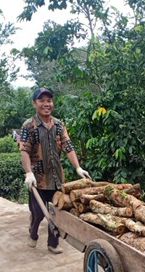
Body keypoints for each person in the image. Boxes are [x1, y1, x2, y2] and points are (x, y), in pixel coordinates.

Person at [20, 87, 91, 253]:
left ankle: (53, 244)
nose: (46, 104)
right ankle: (33, 233)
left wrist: (78, 167)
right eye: (42, 100)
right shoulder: (29, 126)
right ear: (34, 103)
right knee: (37, 213)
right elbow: (24, 150)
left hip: (56, 178)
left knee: (57, 213)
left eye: (49, 100)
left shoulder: (59, 125)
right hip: (37, 179)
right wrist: (28, 173)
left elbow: (68, 146)